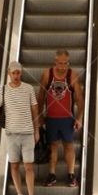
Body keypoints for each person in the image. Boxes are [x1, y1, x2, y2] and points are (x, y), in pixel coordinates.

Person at [0, 61, 39, 195]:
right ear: (9, 74)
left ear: (21, 73)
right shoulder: (3, 90)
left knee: (29, 166)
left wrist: (36, 130)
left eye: (18, 73)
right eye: (13, 73)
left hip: (27, 133)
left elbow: (35, 110)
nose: (16, 76)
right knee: (14, 165)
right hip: (11, 134)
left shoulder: (28, 89)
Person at [38, 49, 83, 187]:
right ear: (55, 62)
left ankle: (71, 174)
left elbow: (80, 99)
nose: (63, 66)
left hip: (67, 118)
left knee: (68, 146)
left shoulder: (72, 75)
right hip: (51, 118)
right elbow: (40, 97)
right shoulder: (47, 74)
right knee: (52, 146)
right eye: (60, 63)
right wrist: (40, 115)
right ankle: (52, 174)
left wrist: (79, 118)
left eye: (66, 63)